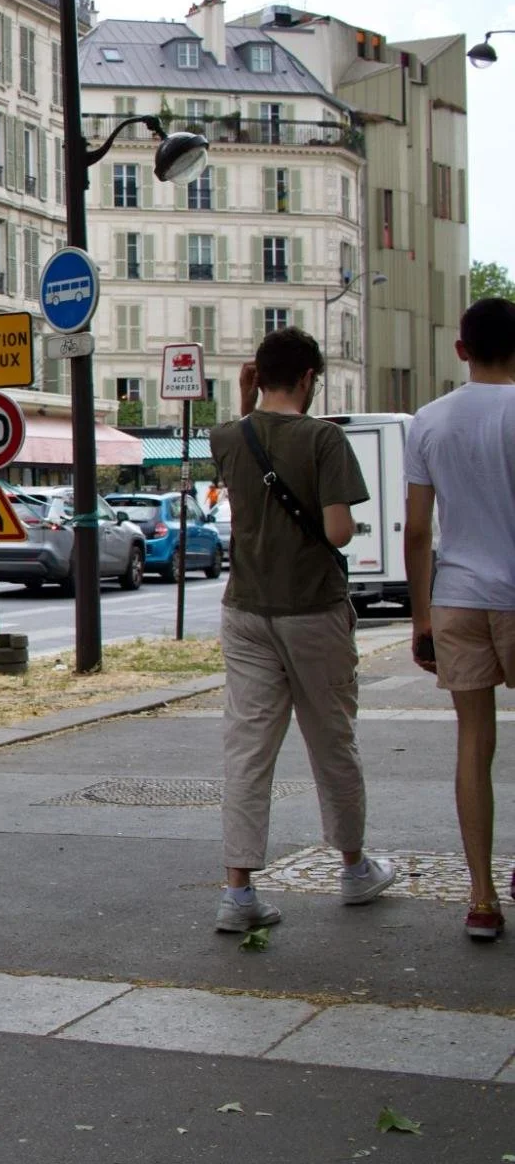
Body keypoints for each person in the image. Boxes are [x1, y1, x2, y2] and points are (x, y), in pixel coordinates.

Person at [209, 327, 395, 934]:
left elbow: (241, 453)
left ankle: (238, 892)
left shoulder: (229, 436)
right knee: (331, 740)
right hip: (313, 610)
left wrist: (244, 401)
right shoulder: (324, 439)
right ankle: (354, 869)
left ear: (256, 376)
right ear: (310, 379)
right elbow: (339, 533)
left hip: (246, 610)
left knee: (248, 748)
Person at [404, 296, 515, 940]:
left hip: (459, 597)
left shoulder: (429, 421)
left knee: (475, 743)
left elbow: (418, 530)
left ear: (460, 350)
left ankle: (481, 896)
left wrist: (422, 618)